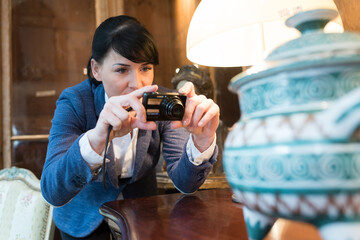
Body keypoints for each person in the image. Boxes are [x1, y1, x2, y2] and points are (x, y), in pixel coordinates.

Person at [40, 15, 219, 239]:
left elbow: (186, 183)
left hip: (143, 219)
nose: (138, 84)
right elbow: (51, 190)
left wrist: (201, 142)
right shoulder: (75, 101)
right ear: (96, 69)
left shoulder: (164, 102)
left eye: (145, 68)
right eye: (122, 70)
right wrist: (96, 139)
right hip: (82, 223)